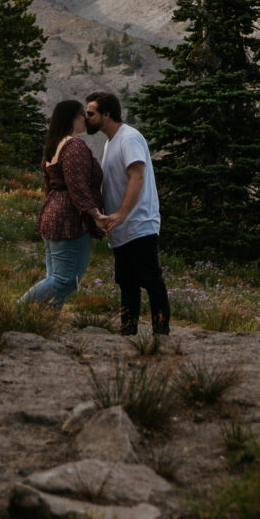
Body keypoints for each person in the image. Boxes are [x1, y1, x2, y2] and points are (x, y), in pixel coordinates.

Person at [85, 90, 167, 340]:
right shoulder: (111, 142)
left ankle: (161, 335)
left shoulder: (129, 138)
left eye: (91, 113)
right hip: (120, 228)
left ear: (106, 114)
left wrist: (121, 213)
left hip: (138, 223)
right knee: (127, 284)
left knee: (151, 281)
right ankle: (128, 333)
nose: (86, 117)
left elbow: (137, 176)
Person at [20, 98, 100, 309]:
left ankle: (45, 320)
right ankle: (16, 309)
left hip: (52, 212)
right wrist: (96, 215)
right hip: (70, 218)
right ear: (71, 118)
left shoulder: (52, 147)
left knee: (54, 276)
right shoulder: (74, 146)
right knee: (65, 280)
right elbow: (77, 186)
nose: (85, 119)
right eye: (82, 114)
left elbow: (49, 186)